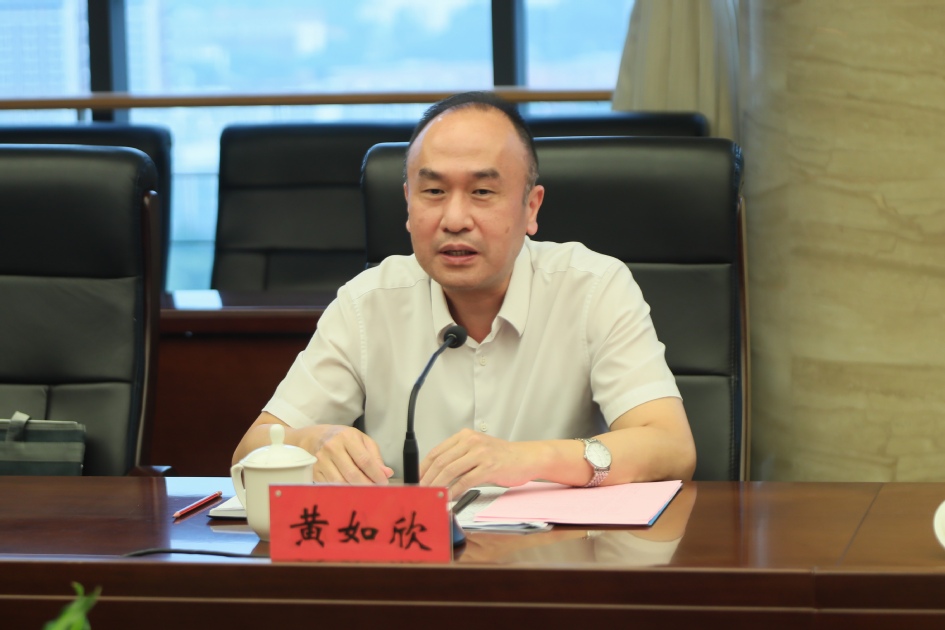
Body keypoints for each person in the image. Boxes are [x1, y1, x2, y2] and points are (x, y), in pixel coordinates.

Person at [233, 91, 696, 497]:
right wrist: (312, 443)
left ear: (531, 207)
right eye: (433, 191)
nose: (454, 219)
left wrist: (526, 459)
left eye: (482, 192)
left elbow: (671, 447)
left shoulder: (594, 287)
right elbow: (250, 452)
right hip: (410, 559)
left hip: (559, 557)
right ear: (408, 204)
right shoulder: (366, 303)